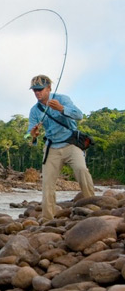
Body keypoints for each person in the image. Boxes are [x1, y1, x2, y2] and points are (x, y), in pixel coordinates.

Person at [27, 74, 94, 220]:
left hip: (71, 144)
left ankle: (92, 207)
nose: (37, 93)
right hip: (52, 147)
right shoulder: (35, 110)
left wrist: (62, 108)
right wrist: (33, 135)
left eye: (40, 89)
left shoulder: (63, 99)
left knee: (81, 170)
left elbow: (79, 116)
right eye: (35, 90)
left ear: (49, 88)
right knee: (47, 183)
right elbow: (29, 135)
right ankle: (48, 218)